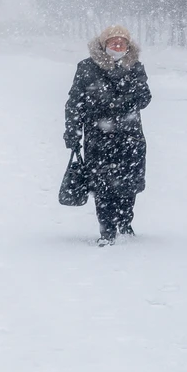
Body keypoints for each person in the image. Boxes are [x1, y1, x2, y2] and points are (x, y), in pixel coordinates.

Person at [64, 25, 152, 246]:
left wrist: (125, 98)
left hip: (130, 136)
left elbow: (145, 98)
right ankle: (107, 230)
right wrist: (73, 132)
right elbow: (75, 103)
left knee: (129, 183)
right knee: (103, 184)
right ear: (104, 45)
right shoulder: (87, 68)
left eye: (122, 42)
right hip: (99, 138)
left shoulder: (135, 67)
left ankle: (125, 223)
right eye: (113, 42)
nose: (118, 45)